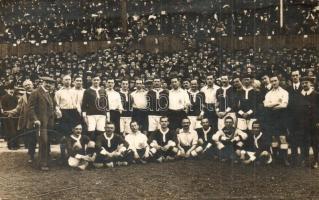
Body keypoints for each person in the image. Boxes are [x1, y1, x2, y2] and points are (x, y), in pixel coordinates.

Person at [27, 76, 56, 171]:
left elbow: (50, 107)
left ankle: (46, 161)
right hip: (40, 123)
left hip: (49, 123)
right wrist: (35, 119)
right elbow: (30, 108)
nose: (48, 85)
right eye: (47, 82)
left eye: (50, 83)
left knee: (47, 142)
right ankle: (42, 163)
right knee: (43, 142)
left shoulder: (48, 93)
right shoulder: (35, 92)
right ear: (42, 82)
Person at [6, 80, 35, 162]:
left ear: (33, 85)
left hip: (38, 120)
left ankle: (46, 155)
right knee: (30, 139)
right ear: (24, 87)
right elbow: (18, 109)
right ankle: (31, 156)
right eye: (26, 85)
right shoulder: (22, 97)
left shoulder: (38, 94)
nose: (28, 86)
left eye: (29, 84)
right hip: (28, 122)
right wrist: (10, 112)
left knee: (43, 139)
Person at [263, 74, 290, 166]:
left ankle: (285, 158)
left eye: (275, 81)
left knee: (283, 138)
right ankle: (275, 157)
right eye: (272, 81)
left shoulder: (284, 92)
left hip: (282, 118)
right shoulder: (268, 93)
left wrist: (272, 105)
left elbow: (284, 105)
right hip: (272, 118)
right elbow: (266, 105)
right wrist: (277, 102)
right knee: (274, 138)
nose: (274, 82)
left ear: (279, 81)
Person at [55, 74, 81, 160]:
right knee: (65, 135)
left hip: (74, 112)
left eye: (69, 79)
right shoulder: (58, 92)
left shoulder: (75, 91)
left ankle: (73, 155)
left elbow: (77, 104)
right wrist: (59, 113)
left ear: (71, 81)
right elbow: (57, 105)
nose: (67, 81)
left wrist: (79, 113)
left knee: (74, 134)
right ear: (62, 81)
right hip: (64, 113)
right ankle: (63, 156)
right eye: (66, 79)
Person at [298, 77, 319, 168]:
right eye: (303, 83)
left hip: (314, 123)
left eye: (306, 82)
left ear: (310, 84)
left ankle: (316, 161)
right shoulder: (300, 95)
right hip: (303, 123)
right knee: (304, 142)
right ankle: (305, 159)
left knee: (315, 142)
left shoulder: (316, 94)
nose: (304, 84)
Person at [286, 70, 304, 166]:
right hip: (292, 119)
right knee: (293, 139)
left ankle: (302, 159)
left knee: (302, 139)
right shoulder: (288, 89)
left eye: (297, 75)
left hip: (302, 119)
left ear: (299, 76)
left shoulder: (304, 88)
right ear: (291, 77)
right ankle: (294, 158)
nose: (295, 77)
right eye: (293, 76)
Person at [81, 76, 107, 140]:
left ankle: (99, 146)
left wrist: (107, 113)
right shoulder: (87, 91)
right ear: (92, 81)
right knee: (91, 130)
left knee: (101, 131)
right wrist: (84, 114)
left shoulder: (103, 90)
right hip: (91, 114)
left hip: (101, 114)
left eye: (97, 80)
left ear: (100, 81)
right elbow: (84, 103)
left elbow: (106, 102)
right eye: (94, 80)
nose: (96, 81)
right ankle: (91, 146)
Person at [1, 84, 19, 150]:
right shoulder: (3, 98)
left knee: (15, 130)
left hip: (15, 116)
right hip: (7, 117)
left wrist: (14, 113)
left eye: (12, 89)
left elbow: (17, 107)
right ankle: (10, 145)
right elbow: (3, 109)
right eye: (10, 89)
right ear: (7, 90)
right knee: (10, 131)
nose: (11, 91)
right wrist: (8, 114)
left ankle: (15, 144)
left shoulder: (15, 98)